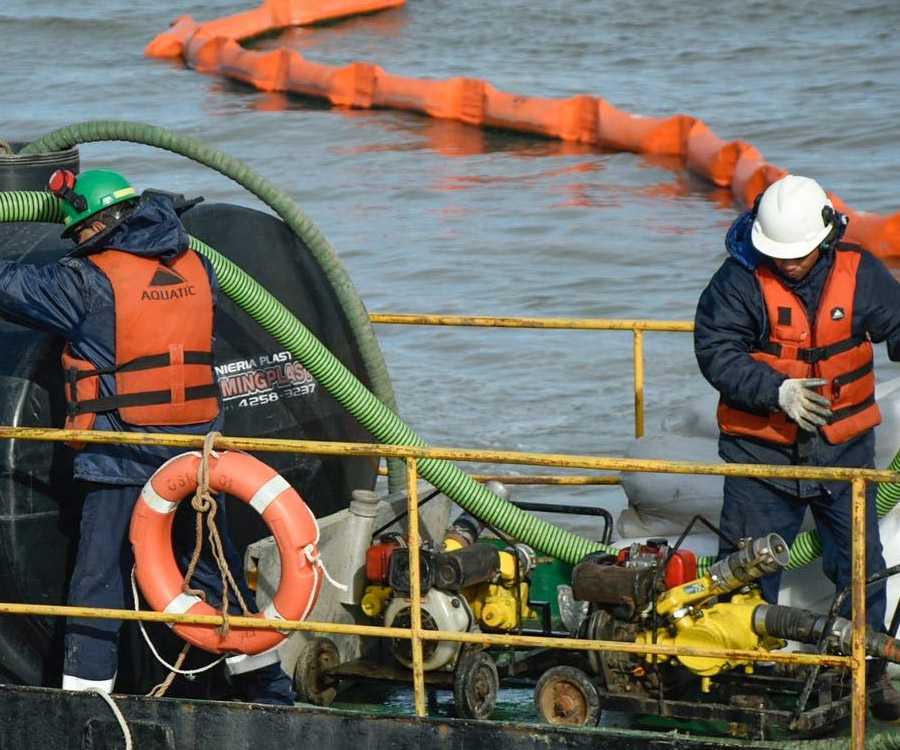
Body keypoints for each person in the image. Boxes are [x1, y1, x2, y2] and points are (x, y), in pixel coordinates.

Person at [0, 168, 294, 704]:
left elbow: (11, 287)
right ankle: (268, 692)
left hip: (122, 456)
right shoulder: (197, 263)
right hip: (195, 455)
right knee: (212, 569)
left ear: (93, 227)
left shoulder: (88, 281)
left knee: (98, 583)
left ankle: (85, 705)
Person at [694, 174, 900, 721]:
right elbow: (717, 352)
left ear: (826, 237)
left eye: (799, 254)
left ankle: (866, 679)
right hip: (760, 459)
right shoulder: (737, 280)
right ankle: (739, 682)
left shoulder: (860, 274)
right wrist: (776, 391)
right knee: (742, 572)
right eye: (779, 254)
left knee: (860, 570)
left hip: (843, 456)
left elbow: (898, 325)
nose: (788, 263)